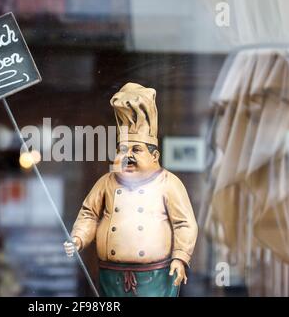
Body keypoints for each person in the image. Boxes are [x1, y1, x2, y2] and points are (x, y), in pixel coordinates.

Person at [64, 82, 198, 297]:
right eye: (123, 149)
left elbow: (184, 223)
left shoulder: (168, 183)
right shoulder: (107, 182)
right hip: (111, 273)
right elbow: (89, 214)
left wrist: (181, 257)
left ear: (155, 156)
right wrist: (78, 238)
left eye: (136, 149)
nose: (128, 156)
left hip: (156, 275)